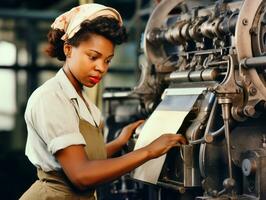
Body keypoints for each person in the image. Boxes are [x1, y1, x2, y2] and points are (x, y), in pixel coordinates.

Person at [20, 3, 186, 200]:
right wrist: (149, 151)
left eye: (107, 60)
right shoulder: (51, 98)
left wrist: (119, 142)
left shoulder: (84, 102)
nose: (101, 68)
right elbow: (81, 174)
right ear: (68, 49)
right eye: (93, 57)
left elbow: (84, 155)